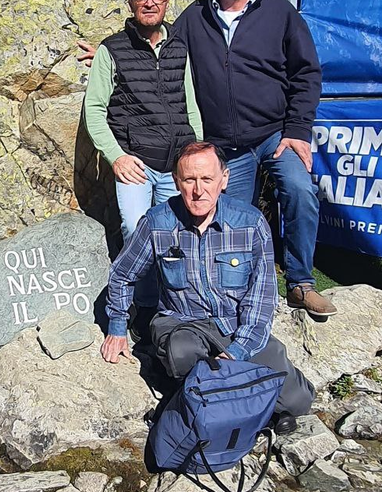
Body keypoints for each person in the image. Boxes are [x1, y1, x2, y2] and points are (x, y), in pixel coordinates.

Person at [174, 0, 334, 318]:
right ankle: (238, 295)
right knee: (229, 218)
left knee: (300, 191)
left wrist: (297, 130)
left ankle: (300, 283)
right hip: (225, 145)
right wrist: (114, 53)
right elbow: (161, 50)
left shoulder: (279, 12)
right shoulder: (194, 17)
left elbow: (306, 74)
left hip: (275, 135)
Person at [102, 142, 314, 433]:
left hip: (235, 326)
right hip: (182, 323)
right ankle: (240, 407)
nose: (198, 190)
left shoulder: (250, 223)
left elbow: (262, 297)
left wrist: (238, 350)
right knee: (181, 353)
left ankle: (213, 402)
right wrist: (117, 328)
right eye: (189, 180)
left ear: (224, 179)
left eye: (207, 179)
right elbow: (122, 275)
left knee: (297, 401)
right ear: (177, 181)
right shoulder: (157, 223)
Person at [83, 0, 201, 310]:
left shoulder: (179, 46)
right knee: (136, 230)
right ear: (131, 4)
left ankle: (177, 306)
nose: (150, 3)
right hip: (136, 163)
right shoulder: (112, 49)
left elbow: (190, 105)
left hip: (177, 163)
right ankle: (142, 307)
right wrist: (116, 156)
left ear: (166, 1)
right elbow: (94, 109)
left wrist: (198, 156)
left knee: (178, 235)